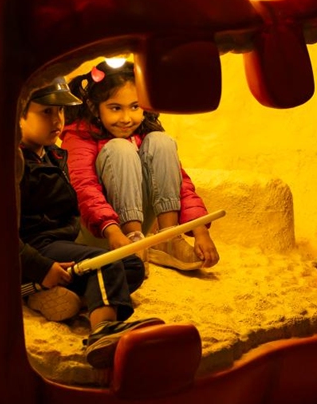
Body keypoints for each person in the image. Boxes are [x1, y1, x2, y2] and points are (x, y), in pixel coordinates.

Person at [18, 77, 162, 369]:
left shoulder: (55, 155)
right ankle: (102, 331)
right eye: (46, 111)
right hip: (34, 249)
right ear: (18, 114)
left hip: (61, 245)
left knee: (131, 267)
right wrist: (41, 267)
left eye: (60, 112)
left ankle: (64, 297)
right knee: (103, 261)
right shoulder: (14, 162)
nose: (57, 120)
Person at [61, 61, 220, 271]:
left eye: (135, 107)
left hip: (145, 230)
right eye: (115, 108)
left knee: (161, 142)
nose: (126, 118)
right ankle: (133, 243)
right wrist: (112, 230)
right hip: (103, 231)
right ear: (93, 107)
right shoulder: (79, 134)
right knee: (119, 148)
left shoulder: (146, 133)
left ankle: (168, 237)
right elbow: (83, 188)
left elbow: (180, 183)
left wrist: (200, 231)